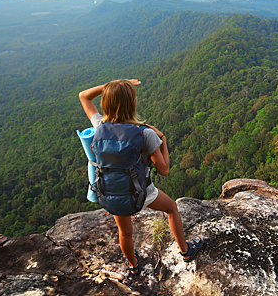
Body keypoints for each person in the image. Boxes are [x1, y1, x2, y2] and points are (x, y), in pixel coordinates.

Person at [79, 79, 204, 276]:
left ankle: (133, 265)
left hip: (114, 192)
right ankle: (185, 251)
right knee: (171, 208)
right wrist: (162, 140)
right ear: (133, 104)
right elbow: (164, 170)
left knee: (125, 233)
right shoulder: (146, 134)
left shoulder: (99, 125)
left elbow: (84, 96)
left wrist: (115, 86)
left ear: (106, 103)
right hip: (143, 192)